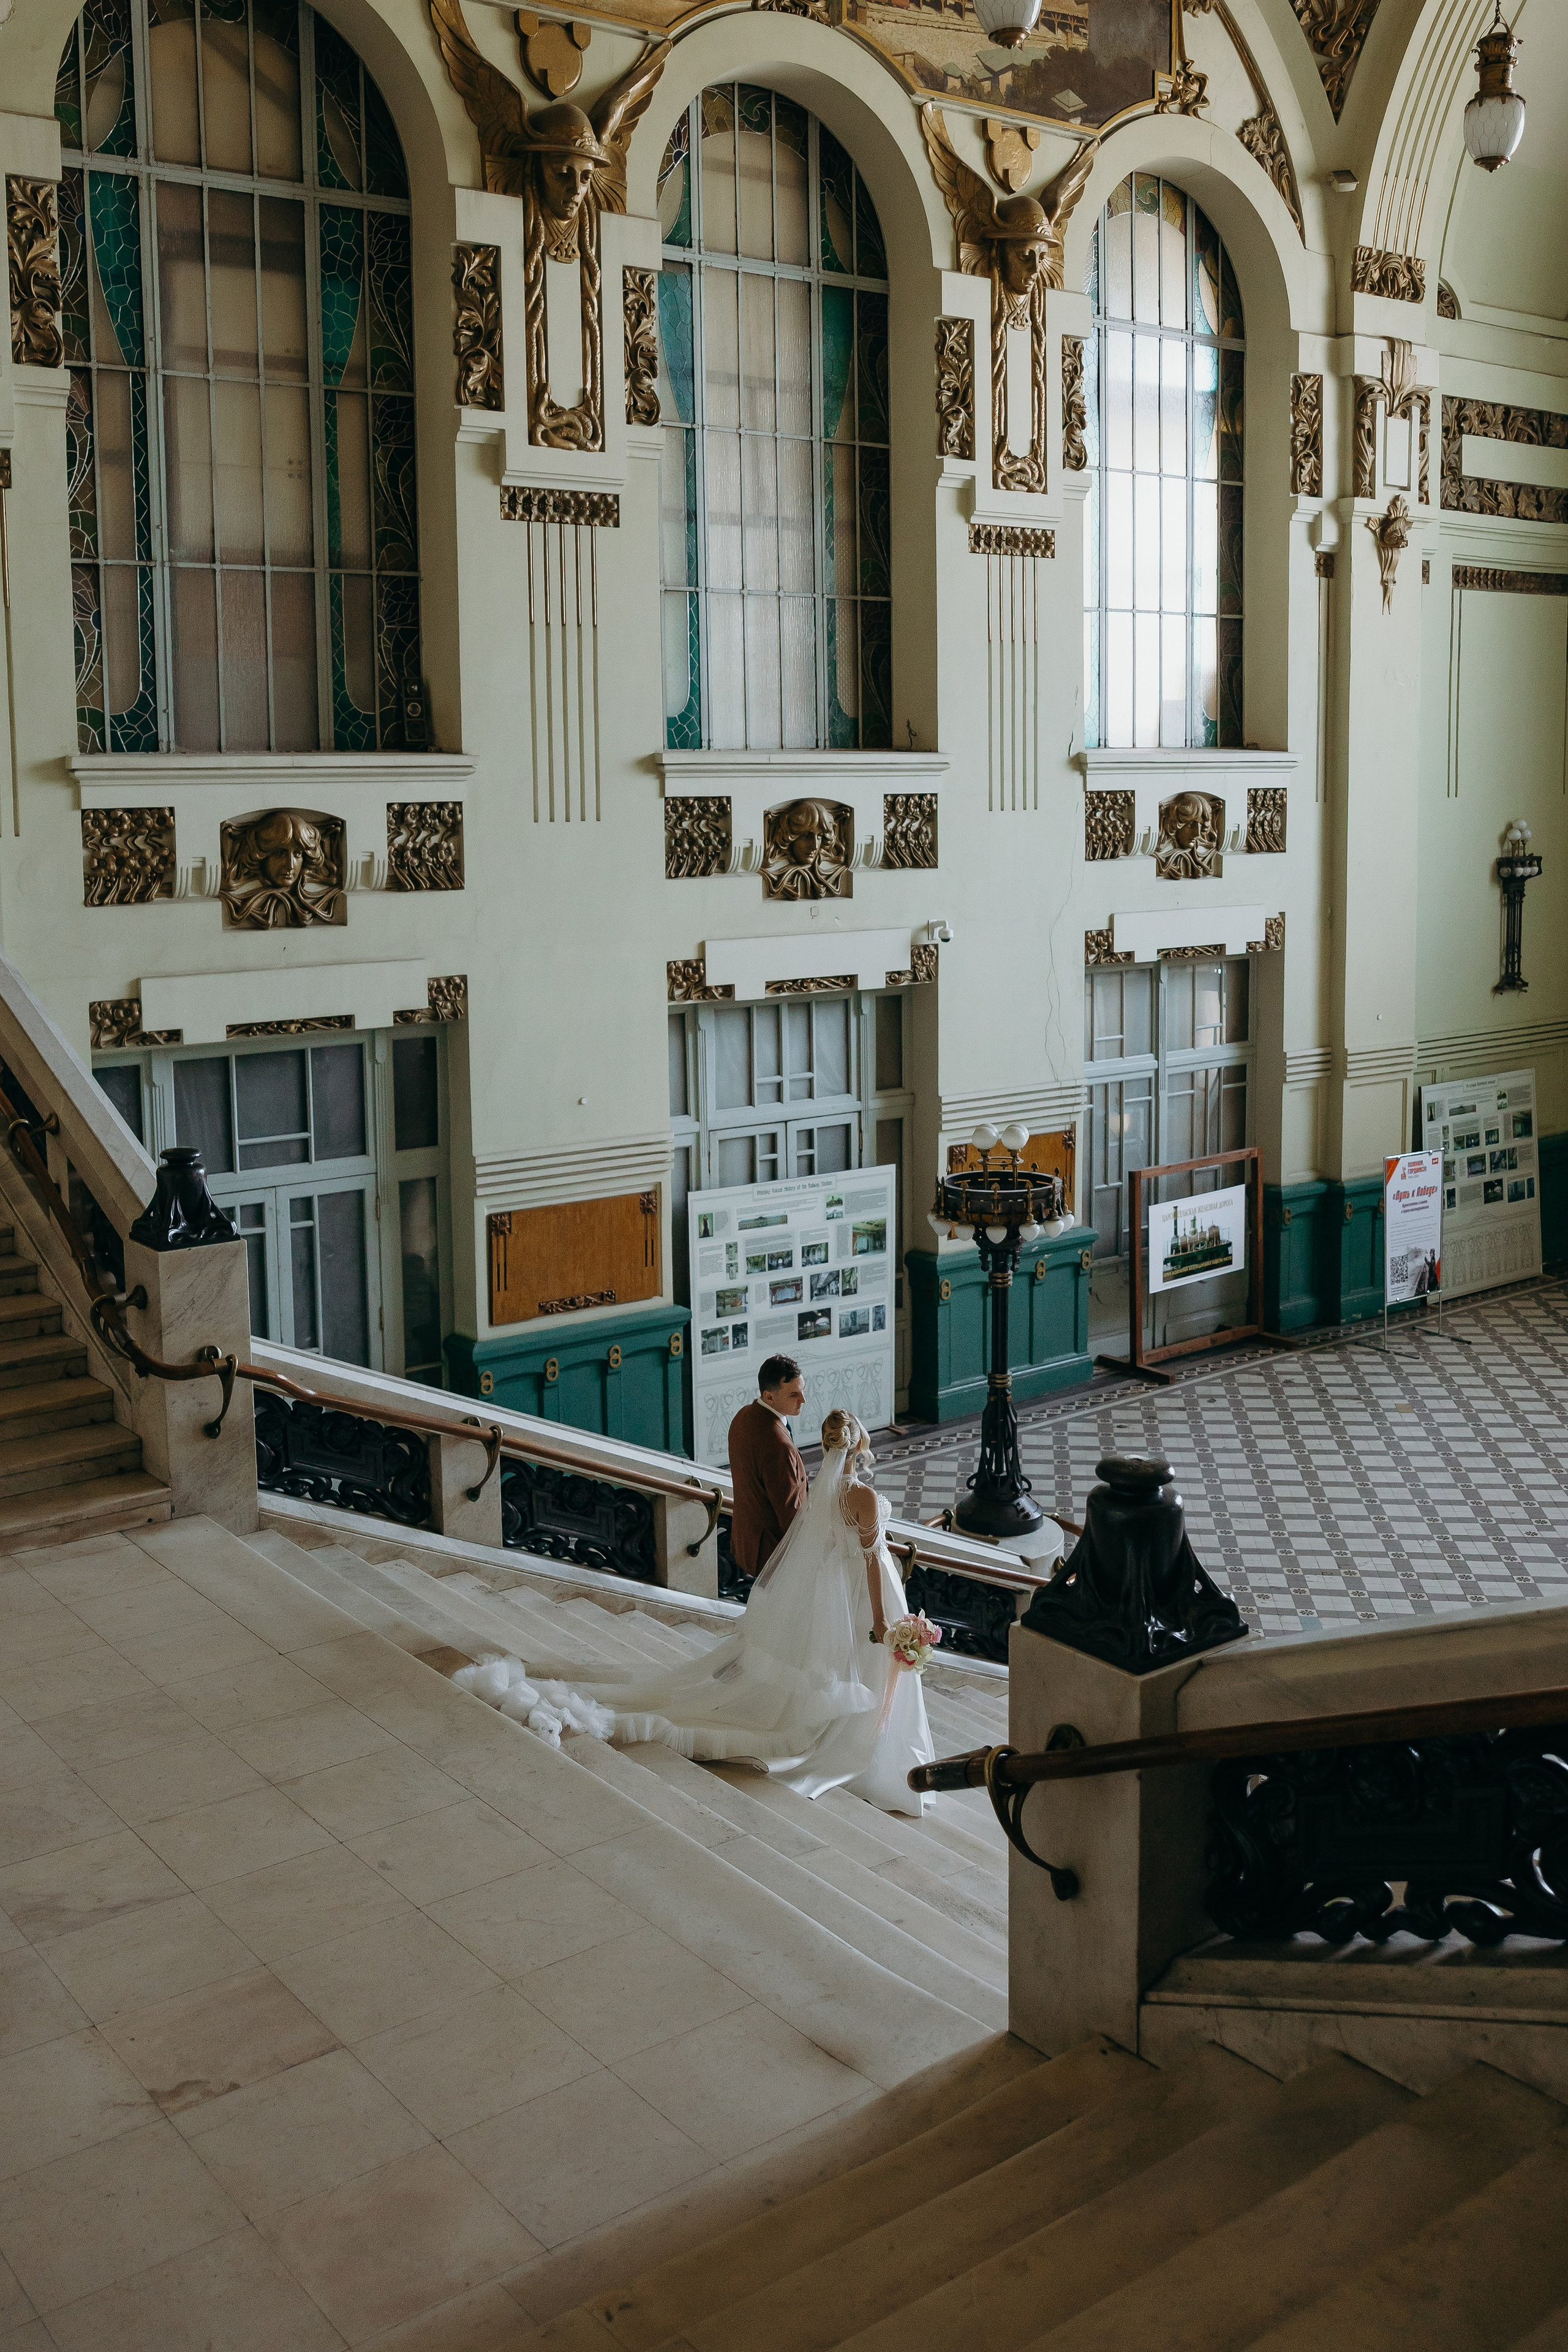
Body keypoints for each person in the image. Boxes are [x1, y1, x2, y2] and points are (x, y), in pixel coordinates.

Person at [523, 1408, 936, 1816]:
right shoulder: (862, 1496)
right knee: (866, 1666)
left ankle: (852, 1735)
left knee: (853, 1668)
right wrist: (881, 1620)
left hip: (839, 1588)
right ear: (858, 1443)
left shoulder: (824, 1490)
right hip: (863, 1592)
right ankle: (866, 1747)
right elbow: (870, 1559)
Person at [728, 1355, 809, 1580]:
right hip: (774, 1554)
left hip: (747, 1541)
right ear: (769, 1396)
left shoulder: (743, 1416)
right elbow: (791, 1515)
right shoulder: (779, 1446)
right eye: (794, 1395)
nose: (803, 1400)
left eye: (802, 1390)